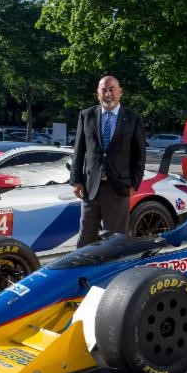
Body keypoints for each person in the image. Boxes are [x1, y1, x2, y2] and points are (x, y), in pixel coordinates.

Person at [71, 75, 146, 247]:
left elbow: (140, 156)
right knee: (85, 240)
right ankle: (84, 273)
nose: (108, 94)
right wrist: (76, 180)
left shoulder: (133, 119)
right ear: (97, 93)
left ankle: (114, 274)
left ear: (120, 92)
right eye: (103, 89)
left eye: (112, 89)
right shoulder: (86, 115)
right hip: (91, 189)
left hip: (118, 189)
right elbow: (79, 151)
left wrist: (134, 184)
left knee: (116, 243)